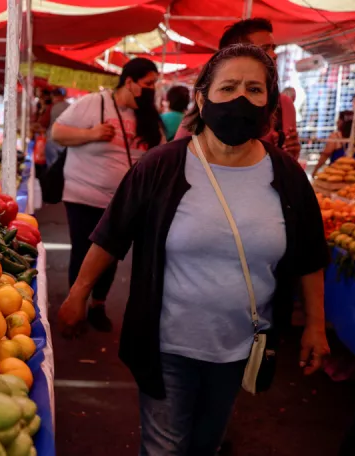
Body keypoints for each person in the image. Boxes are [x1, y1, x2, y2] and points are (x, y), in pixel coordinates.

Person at [58, 45, 330, 455]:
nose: (241, 99)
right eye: (229, 87)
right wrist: (79, 293)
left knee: (206, 444)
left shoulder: (288, 177)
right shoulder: (161, 166)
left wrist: (316, 324)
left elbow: (309, 255)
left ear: (270, 105)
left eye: (254, 90)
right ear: (202, 98)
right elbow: (112, 233)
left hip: (240, 346)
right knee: (165, 448)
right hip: (167, 343)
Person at [51, 57, 164, 332]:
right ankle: (75, 305)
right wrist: (92, 133)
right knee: (82, 251)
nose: (152, 89)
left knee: (111, 253)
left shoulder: (147, 114)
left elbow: (160, 151)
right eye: (148, 83)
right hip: (83, 194)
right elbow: (58, 133)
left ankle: (97, 305)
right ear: (129, 81)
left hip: (122, 201)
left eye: (154, 84)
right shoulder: (94, 103)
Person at [175, 18, 301, 160]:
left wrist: (289, 155)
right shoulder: (209, 104)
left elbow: (288, 159)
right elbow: (175, 158)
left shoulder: (284, 105)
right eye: (265, 49)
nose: (274, 55)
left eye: (273, 48)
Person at [311, 110, 355, 178]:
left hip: (336, 176)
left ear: (342, 121)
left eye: (339, 119)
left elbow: (325, 155)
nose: (337, 122)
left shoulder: (335, 137)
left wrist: (315, 170)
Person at [44, 88, 70, 167]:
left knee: (52, 165)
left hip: (53, 139)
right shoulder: (70, 106)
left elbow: (45, 123)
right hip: (66, 141)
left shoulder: (52, 107)